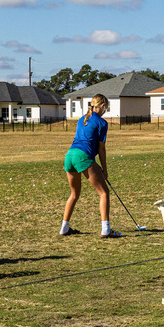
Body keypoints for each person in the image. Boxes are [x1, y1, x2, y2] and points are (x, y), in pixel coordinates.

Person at [61, 94, 118, 238]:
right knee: (104, 193)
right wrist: (104, 170)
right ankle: (106, 229)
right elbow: (101, 149)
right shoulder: (102, 123)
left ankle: (64, 228)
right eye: (106, 108)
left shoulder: (82, 119)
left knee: (74, 194)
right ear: (103, 106)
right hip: (82, 157)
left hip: (70, 156)